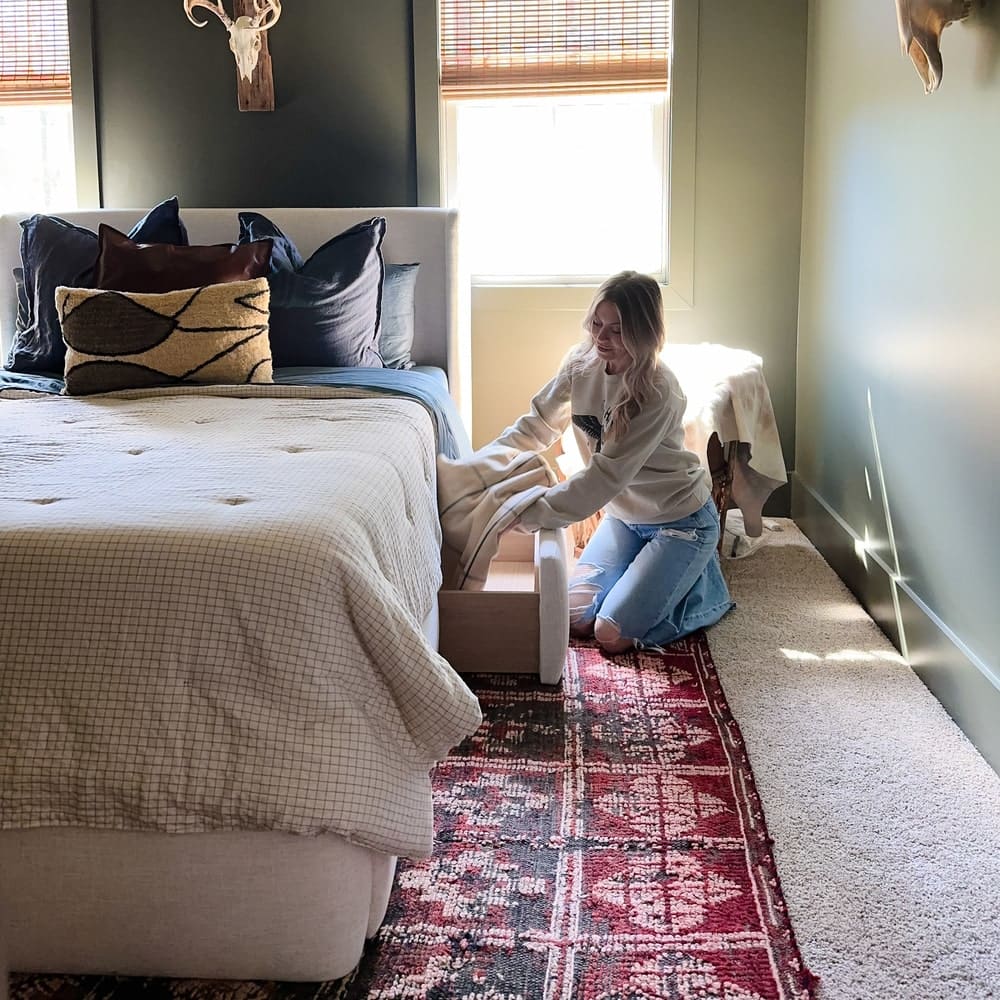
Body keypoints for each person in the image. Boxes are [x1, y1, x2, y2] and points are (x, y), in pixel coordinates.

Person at [495, 270, 734, 653]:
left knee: (611, 635)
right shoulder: (580, 363)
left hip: (681, 522)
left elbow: (604, 477)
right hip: (624, 519)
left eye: (617, 330)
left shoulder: (660, 389)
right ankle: (652, 572)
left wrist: (525, 515)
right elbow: (538, 424)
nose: (601, 338)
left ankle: (706, 590)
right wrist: (484, 466)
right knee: (575, 619)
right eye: (596, 324)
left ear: (644, 331)